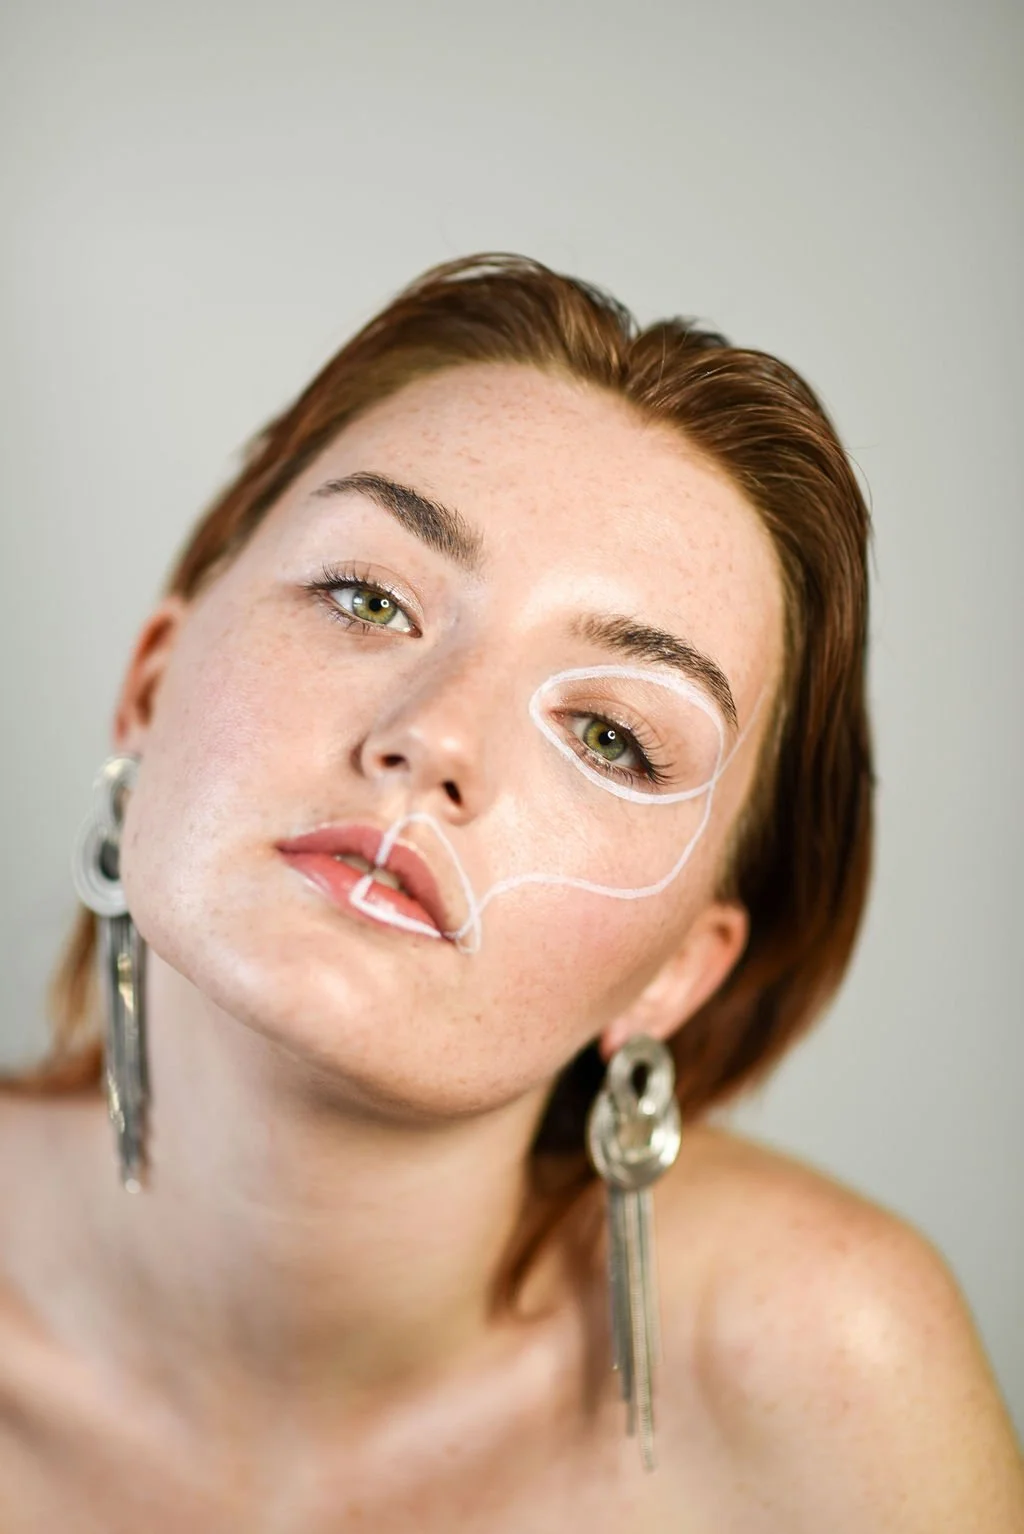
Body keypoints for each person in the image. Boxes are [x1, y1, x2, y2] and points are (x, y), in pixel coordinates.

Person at [1, 252, 1021, 1530]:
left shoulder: (832, 1383)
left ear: (678, 970)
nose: (434, 735)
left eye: (610, 737)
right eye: (367, 598)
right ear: (151, 686)